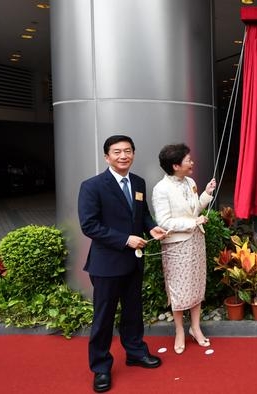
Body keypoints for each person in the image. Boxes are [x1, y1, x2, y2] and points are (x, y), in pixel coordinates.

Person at [78, 135, 167, 393]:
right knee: (103, 317)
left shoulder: (138, 182)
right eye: (117, 152)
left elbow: (143, 215)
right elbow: (89, 225)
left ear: (134, 154)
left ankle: (136, 352)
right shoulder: (92, 186)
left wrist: (151, 229)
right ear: (107, 157)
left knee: (133, 312)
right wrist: (125, 239)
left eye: (127, 151)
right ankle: (101, 367)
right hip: (106, 264)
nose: (123, 156)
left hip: (133, 262)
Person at [151, 143, 216, 354]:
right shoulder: (161, 189)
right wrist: (193, 223)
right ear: (176, 165)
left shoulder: (190, 182)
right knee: (178, 289)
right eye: (188, 160)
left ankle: (195, 328)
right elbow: (164, 221)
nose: (192, 163)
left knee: (196, 284)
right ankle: (179, 330)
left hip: (196, 241)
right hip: (176, 245)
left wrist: (206, 194)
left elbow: (194, 209)